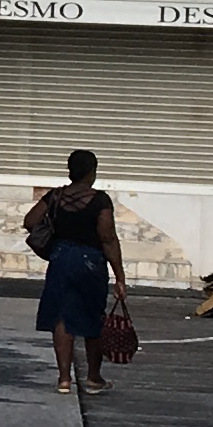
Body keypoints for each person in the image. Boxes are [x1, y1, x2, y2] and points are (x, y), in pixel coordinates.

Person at [30, 147, 128, 396]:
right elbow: (107, 238)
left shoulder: (55, 196)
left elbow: (30, 221)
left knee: (61, 317)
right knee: (92, 316)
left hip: (60, 258)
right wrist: (119, 277)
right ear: (92, 172)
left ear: (70, 171)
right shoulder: (100, 200)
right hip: (91, 262)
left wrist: (53, 232)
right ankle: (93, 378)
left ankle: (64, 379)